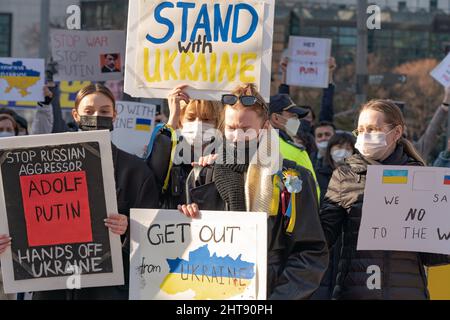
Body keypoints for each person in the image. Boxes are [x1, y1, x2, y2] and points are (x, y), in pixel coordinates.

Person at [0, 83, 160, 300]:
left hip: (107, 290)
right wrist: (8, 240)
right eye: (89, 111)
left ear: (115, 115)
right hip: (52, 287)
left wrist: (129, 226)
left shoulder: (135, 171)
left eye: (104, 111)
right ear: (75, 115)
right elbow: (22, 212)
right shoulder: (43, 163)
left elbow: (153, 231)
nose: (96, 116)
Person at [177, 83, 329, 299]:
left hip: (269, 291)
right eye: (231, 128)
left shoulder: (291, 176)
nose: (237, 136)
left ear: (265, 127)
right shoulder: (202, 176)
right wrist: (188, 219)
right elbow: (192, 247)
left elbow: (310, 250)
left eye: (246, 129)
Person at [320, 99, 450, 300]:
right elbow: (323, 237)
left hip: (407, 292)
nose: (365, 135)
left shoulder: (420, 178)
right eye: (361, 130)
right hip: (356, 292)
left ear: (396, 133)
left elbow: (433, 256)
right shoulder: (344, 176)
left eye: (372, 129)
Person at [146, 84, 223, 209]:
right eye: (191, 118)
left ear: (217, 122)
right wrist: (172, 120)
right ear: (181, 120)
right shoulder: (170, 150)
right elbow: (152, 181)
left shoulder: (226, 154)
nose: (198, 124)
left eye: (207, 119)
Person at [311, 132, 355, 300]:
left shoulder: (361, 179)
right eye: (338, 147)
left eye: (348, 148)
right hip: (325, 245)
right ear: (330, 150)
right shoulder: (316, 175)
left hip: (348, 249)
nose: (343, 151)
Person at [268, 93, 320, 200]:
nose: (297, 121)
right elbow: (310, 193)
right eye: (293, 116)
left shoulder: (253, 144)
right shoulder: (295, 152)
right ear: (276, 118)